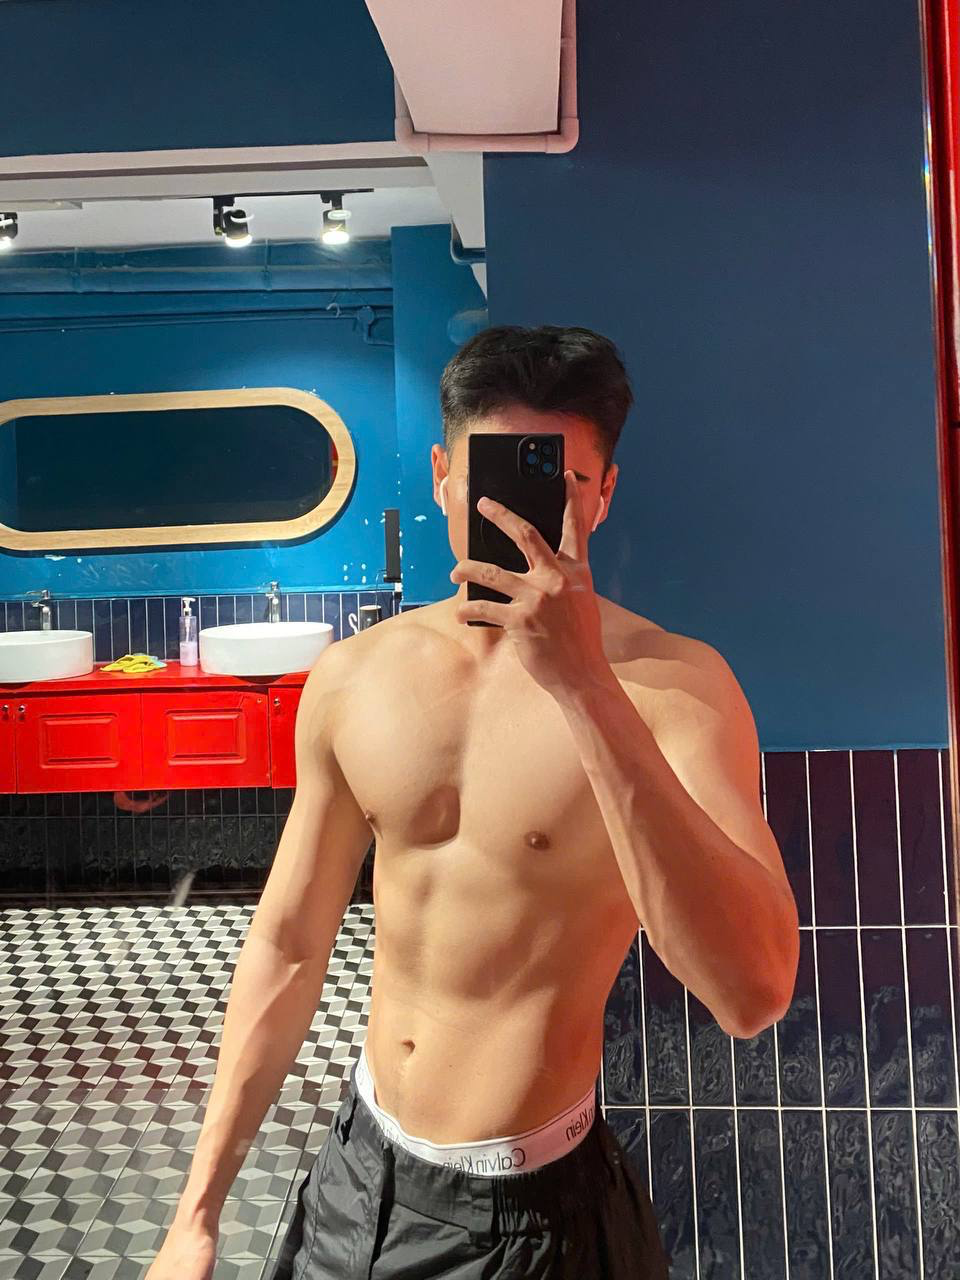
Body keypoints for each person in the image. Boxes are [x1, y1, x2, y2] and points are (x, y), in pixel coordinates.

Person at [147, 325, 799, 1279]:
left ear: (604, 495)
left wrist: (585, 686)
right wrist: (197, 1215)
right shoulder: (356, 678)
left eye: (561, 485)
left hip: (533, 1218)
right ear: (445, 477)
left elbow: (753, 991)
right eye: (495, 478)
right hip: (359, 1179)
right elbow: (287, 944)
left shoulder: (675, 691)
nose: (522, 515)